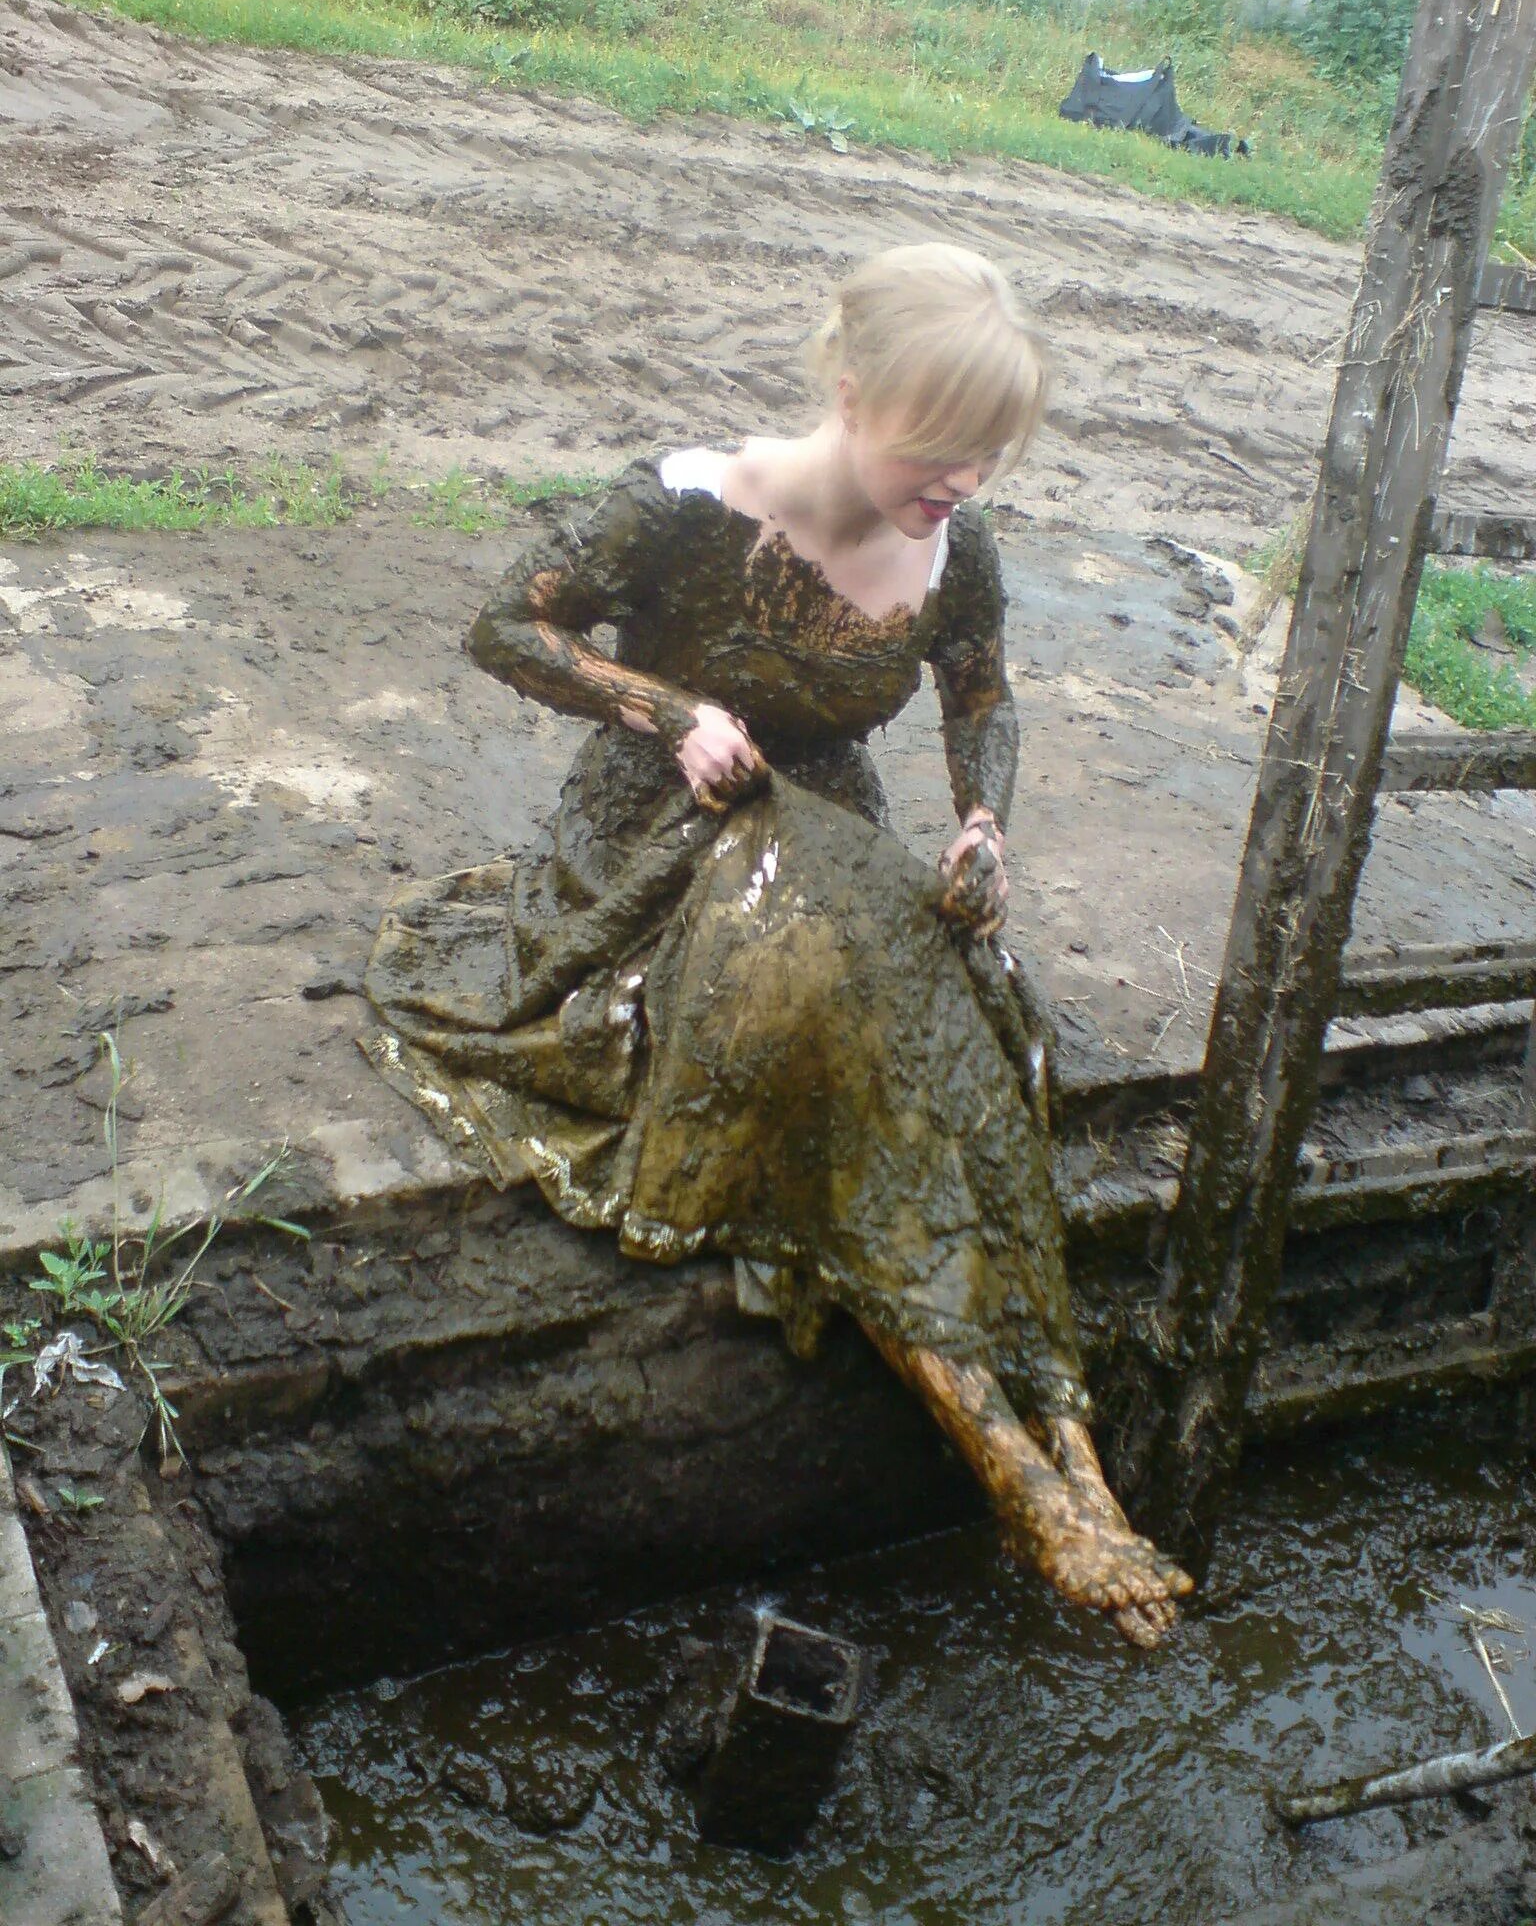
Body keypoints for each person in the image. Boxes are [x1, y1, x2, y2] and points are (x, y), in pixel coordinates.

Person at [364, 242, 1193, 1646]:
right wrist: (665, 711)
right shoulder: (686, 504)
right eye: (941, 450)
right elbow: (502, 625)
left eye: (987, 459)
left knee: (970, 1039)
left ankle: (1078, 1457)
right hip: (656, 833)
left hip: (834, 832)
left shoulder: (957, 549)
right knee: (817, 1026)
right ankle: (1017, 1471)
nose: (960, 486)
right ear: (853, 393)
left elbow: (983, 700)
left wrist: (985, 824)